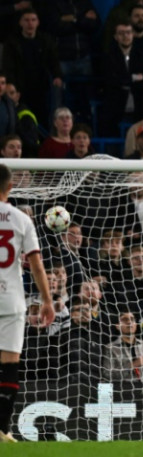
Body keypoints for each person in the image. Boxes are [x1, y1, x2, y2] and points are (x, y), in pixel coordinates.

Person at [0, 164, 55, 442]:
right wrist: (47, 300)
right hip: (11, 300)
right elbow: (36, 265)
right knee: (9, 364)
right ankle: (1, 429)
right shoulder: (21, 219)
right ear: (10, 187)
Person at [103, 311, 143, 383]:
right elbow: (107, 375)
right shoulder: (111, 348)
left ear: (136, 325)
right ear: (117, 326)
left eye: (132, 319)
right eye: (125, 320)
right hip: (125, 392)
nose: (129, 322)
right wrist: (132, 365)